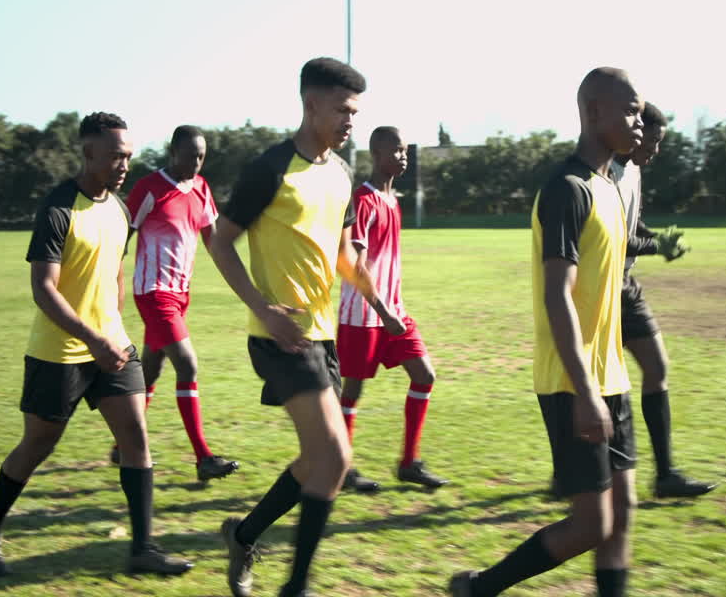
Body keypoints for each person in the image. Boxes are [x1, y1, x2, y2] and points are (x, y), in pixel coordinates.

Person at [209, 57, 403, 597]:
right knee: (335, 458)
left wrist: (381, 306)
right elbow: (220, 242)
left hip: (323, 335)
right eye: (343, 110)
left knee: (317, 461)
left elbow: (345, 256)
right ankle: (296, 586)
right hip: (278, 336)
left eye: (355, 113)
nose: (350, 122)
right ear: (310, 104)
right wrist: (263, 308)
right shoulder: (269, 169)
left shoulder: (340, 175)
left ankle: (244, 534)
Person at [0, 113, 191, 577]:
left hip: (113, 348)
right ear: (87, 153)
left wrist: (114, 330)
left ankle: (143, 548)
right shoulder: (57, 207)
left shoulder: (120, 209)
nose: (123, 163)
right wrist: (91, 336)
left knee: (135, 437)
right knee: (39, 443)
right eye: (114, 155)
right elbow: (44, 289)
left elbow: (113, 270)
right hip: (59, 353)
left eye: (128, 155)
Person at [450, 67, 643, 597]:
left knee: (621, 516)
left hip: (612, 379)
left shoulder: (609, 188)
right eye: (630, 110)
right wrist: (585, 393)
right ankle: (481, 588)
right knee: (590, 525)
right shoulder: (567, 189)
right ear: (594, 111)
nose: (639, 121)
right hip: (572, 382)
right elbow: (556, 294)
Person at [114, 124, 239, 483]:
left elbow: (215, 242)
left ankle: (124, 445)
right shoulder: (149, 188)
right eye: (190, 155)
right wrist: (108, 281)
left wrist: (246, 282)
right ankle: (203, 457)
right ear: (173, 153)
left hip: (181, 294)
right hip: (153, 293)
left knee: (151, 371)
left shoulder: (201, 189)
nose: (196, 163)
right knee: (187, 365)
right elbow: (123, 236)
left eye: (201, 156)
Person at [611, 104, 716, 499]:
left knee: (657, 367)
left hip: (626, 285)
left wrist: (659, 237)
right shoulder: (605, 174)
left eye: (658, 143)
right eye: (651, 141)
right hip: (599, 290)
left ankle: (666, 474)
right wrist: (659, 246)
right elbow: (615, 238)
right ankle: (569, 472)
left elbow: (634, 227)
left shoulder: (633, 173)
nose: (654, 150)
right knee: (592, 388)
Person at [337, 126, 449, 492]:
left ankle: (408, 463)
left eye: (405, 151)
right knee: (351, 392)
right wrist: (383, 311)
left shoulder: (393, 201)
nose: (404, 157)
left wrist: (392, 311)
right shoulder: (363, 201)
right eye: (397, 151)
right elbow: (355, 264)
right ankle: (343, 467)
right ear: (376, 154)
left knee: (424, 375)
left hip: (393, 312)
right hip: (362, 315)